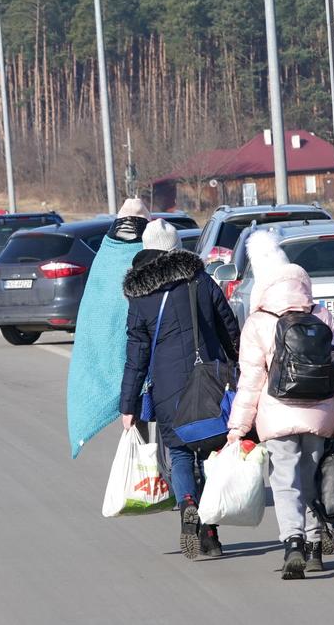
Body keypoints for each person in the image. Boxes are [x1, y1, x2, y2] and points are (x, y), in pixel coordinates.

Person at [225, 231, 334, 579]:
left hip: (276, 414)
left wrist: (237, 428)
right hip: (320, 413)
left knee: (285, 481)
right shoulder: (323, 315)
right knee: (311, 479)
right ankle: (315, 547)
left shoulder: (259, 322)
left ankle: (293, 543)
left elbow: (250, 381)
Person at [118, 219, 241, 561]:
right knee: (214, 453)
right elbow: (228, 326)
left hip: (167, 388)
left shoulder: (140, 295)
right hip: (211, 382)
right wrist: (240, 366)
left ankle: (188, 502)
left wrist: (128, 405)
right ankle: (212, 532)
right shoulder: (200, 280)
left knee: (182, 453)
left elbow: (136, 355)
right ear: (176, 247)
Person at [67, 199, 152, 457]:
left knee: (135, 421)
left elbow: (96, 309)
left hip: (125, 358)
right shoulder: (148, 251)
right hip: (151, 351)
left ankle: (151, 476)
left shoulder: (106, 253)